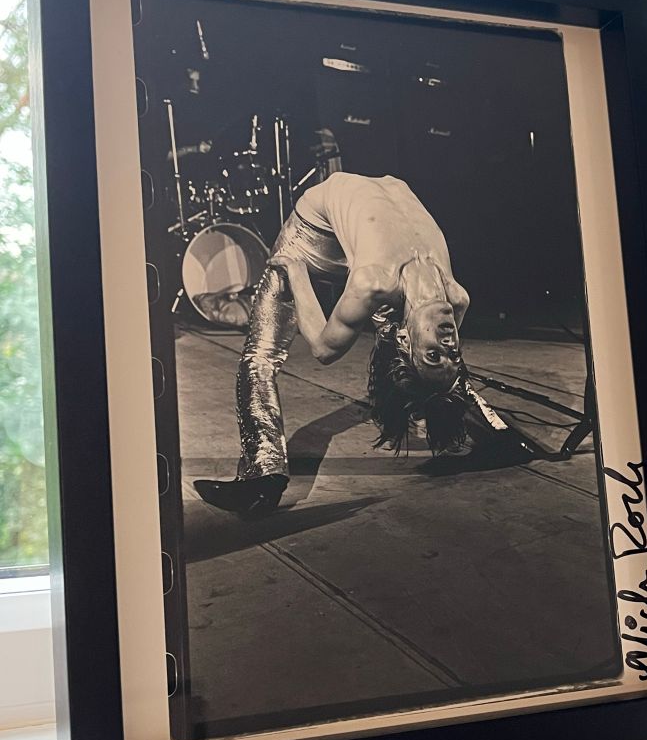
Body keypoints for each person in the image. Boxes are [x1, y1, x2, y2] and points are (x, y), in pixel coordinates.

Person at [194, 172, 537, 514]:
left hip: (311, 238)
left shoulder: (373, 283)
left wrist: (297, 272)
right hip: (373, 257)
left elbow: (323, 349)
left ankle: (261, 478)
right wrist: (435, 371)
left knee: (260, 357)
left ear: (404, 339)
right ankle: (497, 434)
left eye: (435, 353)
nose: (448, 342)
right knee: (438, 374)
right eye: (452, 351)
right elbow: (441, 369)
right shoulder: (457, 298)